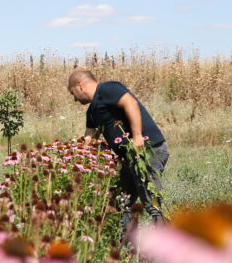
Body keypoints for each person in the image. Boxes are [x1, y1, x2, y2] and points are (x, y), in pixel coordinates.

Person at [67, 69, 169, 239]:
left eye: (73, 93)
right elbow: (88, 140)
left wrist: (137, 137)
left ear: (80, 85)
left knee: (150, 200)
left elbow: (130, 103)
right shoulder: (92, 111)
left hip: (147, 151)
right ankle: (128, 246)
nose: (75, 99)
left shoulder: (108, 88)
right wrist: (74, 158)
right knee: (122, 201)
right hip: (129, 158)